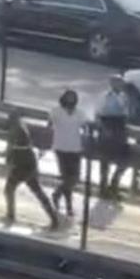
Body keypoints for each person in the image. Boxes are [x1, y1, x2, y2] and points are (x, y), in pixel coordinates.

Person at [4, 110, 59, 230]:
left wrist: (8, 160)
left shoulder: (16, 130)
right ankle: (54, 218)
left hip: (21, 165)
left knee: (9, 189)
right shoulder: (21, 127)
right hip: (28, 164)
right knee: (37, 191)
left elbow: (13, 148)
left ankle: (10, 215)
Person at [49, 89, 87, 217]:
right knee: (66, 178)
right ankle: (69, 207)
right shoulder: (56, 111)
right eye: (68, 97)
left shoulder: (80, 113)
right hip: (61, 147)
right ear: (64, 98)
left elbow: (84, 127)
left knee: (74, 178)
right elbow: (49, 124)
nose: (70, 100)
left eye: (73, 98)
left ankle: (57, 194)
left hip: (75, 148)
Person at [95, 75, 131, 200]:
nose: (118, 85)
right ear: (111, 83)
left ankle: (114, 184)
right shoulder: (104, 96)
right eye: (116, 82)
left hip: (119, 127)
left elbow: (126, 113)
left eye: (120, 83)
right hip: (107, 126)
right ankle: (103, 188)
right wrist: (104, 129)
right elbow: (98, 114)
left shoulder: (123, 96)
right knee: (105, 160)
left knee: (124, 160)